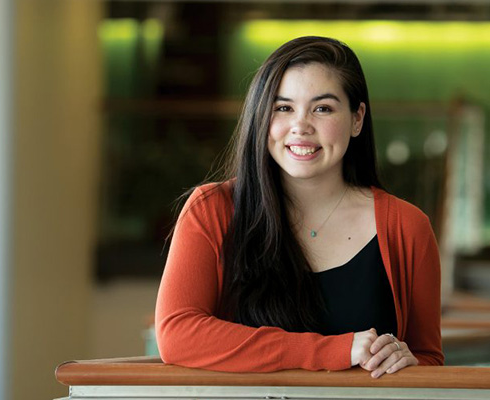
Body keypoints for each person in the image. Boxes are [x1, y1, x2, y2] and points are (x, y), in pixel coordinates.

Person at [155, 36, 444, 378]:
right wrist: (334, 349)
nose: (301, 126)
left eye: (323, 108)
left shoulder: (407, 227)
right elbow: (178, 334)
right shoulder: (211, 210)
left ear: (357, 119)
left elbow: (428, 360)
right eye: (283, 107)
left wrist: (406, 359)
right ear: (262, 117)